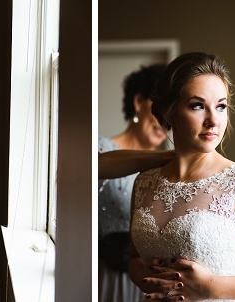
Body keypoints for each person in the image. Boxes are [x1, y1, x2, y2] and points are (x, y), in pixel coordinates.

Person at [128, 52, 235, 301]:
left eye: (220, 106)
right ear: (169, 111)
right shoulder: (144, 183)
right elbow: (133, 259)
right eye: (198, 105)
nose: (213, 121)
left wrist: (211, 287)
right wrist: (150, 276)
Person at [98, 63, 167, 302]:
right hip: (105, 276)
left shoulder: (168, 170)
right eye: (158, 108)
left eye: (170, 111)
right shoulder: (102, 150)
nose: (164, 120)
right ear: (139, 102)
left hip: (148, 280)